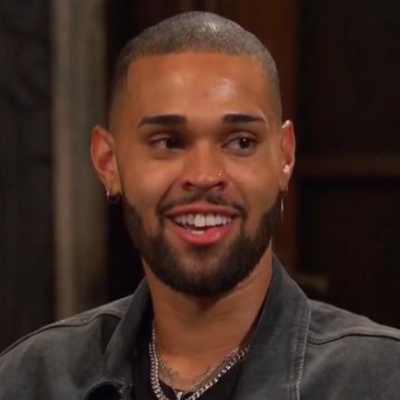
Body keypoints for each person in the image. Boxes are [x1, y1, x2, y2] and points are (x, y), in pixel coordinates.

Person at [0, 11, 399, 400]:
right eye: (169, 142)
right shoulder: (30, 379)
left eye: (241, 142)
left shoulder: (381, 379)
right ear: (108, 163)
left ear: (284, 157)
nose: (205, 175)